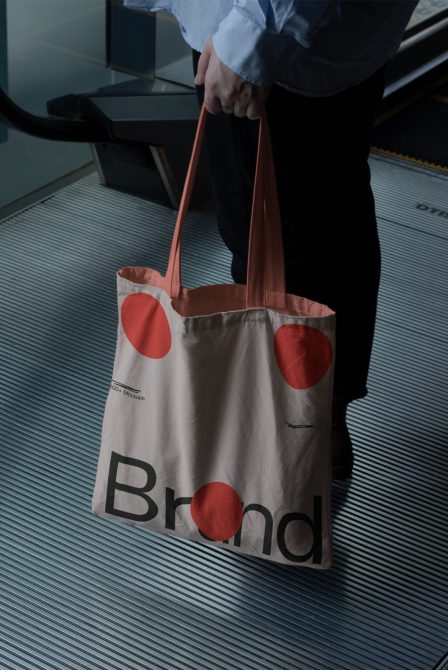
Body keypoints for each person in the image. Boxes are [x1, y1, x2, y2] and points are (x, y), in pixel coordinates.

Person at [124, 0, 419, 479]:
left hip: (276, 43)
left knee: (278, 242)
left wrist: (253, 37)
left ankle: (294, 433)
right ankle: (314, 423)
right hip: (312, 37)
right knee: (328, 214)